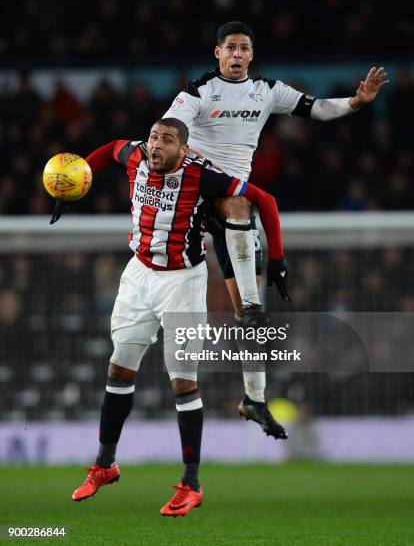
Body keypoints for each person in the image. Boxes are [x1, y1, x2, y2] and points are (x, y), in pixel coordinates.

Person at [163, 20, 389, 438]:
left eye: (243, 48)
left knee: (250, 313)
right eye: (229, 47)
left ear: (251, 55)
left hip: (234, 205)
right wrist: (174, 144)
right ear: (217, 53)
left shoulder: (267, 91)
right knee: (215, 230)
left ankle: (254, 398)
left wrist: (356, 102)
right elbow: (169, 130)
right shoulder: (197, 92)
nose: (235, 54)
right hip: (196, 195)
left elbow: (317, 108)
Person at [53, 117, 289, 517]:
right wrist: (78, 181)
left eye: (166, 140)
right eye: (152, 138)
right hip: (138, 274)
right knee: (118, 370)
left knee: (182, 382)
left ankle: (191, 484)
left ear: (184, 149)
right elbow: (111, 146)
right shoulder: (135, 156)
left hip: (182, 282)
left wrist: (278, 260)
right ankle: (105, 465)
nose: (155, 146)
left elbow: (265, 200)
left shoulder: (203, 177)